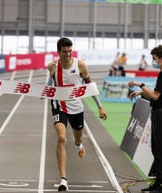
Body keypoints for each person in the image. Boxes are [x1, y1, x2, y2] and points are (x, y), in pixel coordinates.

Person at [47, 37, 107, 192]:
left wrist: (100, 107)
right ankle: (63, 180)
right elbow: (49, 87)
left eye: (70, 51)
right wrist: (50, 75)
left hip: (76, 107)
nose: (68, 54)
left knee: (78, 137)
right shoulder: (53, 66)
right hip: (58, 105)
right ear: (59, 52)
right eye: (65, 52)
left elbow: (90, 86)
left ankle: (78, 144)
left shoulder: (80, 65)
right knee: (61, 137)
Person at [127, 45, 162, 193]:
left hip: (161, 113)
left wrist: (140, 84)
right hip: (158, 111)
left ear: (161, 58)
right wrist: (141, 93)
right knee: (156, 148)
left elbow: (155, 96)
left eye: (154, 58)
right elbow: (155, 94)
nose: (152, 61)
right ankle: (158, 183)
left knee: (161, 150)